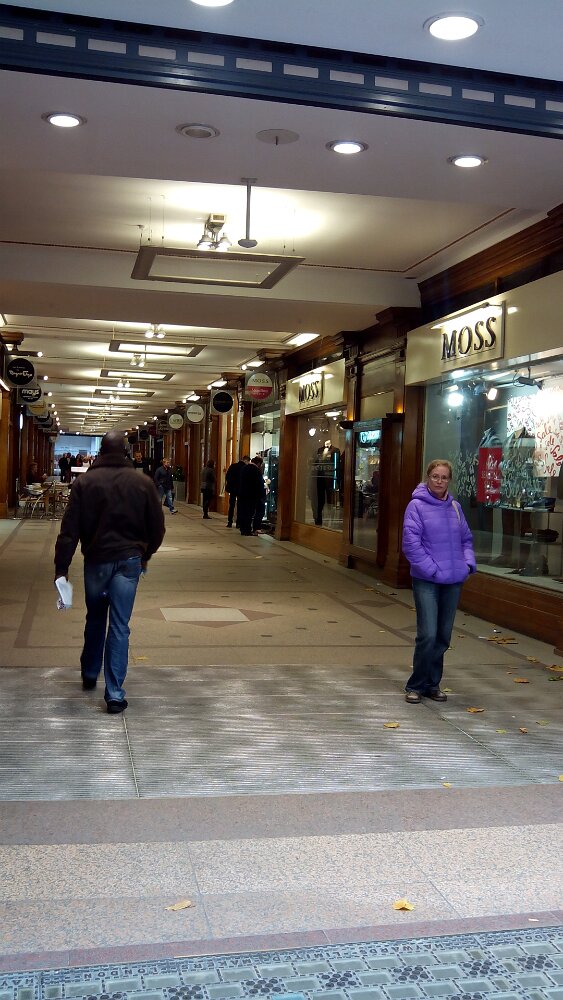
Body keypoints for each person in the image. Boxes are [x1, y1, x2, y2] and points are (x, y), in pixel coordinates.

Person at [53, 430, 165, 713]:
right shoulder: (143, 483)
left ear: (101, 451)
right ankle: (114, 694)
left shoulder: (85, 483)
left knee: (95, 617)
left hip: (97, 561)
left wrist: (61, 568)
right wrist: (145, 554)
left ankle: (90, 671)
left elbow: (69, 530)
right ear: (125, 451)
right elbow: (157, 527)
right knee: (119, 625)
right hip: (129, 561)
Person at [402, 459, 476, 705]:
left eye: (444, 477)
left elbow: (466, 540)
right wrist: (432, 570)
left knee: (443, 636)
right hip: (428, 580)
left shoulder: (455, 507)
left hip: (453, 581)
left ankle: (432, 684)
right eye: (435, 476)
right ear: (428, 477)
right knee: (428, 634)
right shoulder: (416, 506)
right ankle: (416, 685)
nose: (439, 481)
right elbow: (411, 545)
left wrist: (467, 564)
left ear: (449, 480)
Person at [238, 456, 266, 536]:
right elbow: (259, 484)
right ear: (258, 463)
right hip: (252, 495)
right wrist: (262, 495)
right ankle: (248, 530)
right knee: (250, 513)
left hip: (243, 494)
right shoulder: (256, 470)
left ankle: (243, 529)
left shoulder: (244, 468)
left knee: (244, 512)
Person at [224, 455, 250, 527]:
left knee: (231, 505)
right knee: (240, 506)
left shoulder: (233, 466)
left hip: (232, 489)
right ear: (246, 460)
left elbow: (227, 476)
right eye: (248, 462)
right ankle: (238, 522)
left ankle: (230, 521)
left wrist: (230, 484)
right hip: (241, 489)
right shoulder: (245, 467)